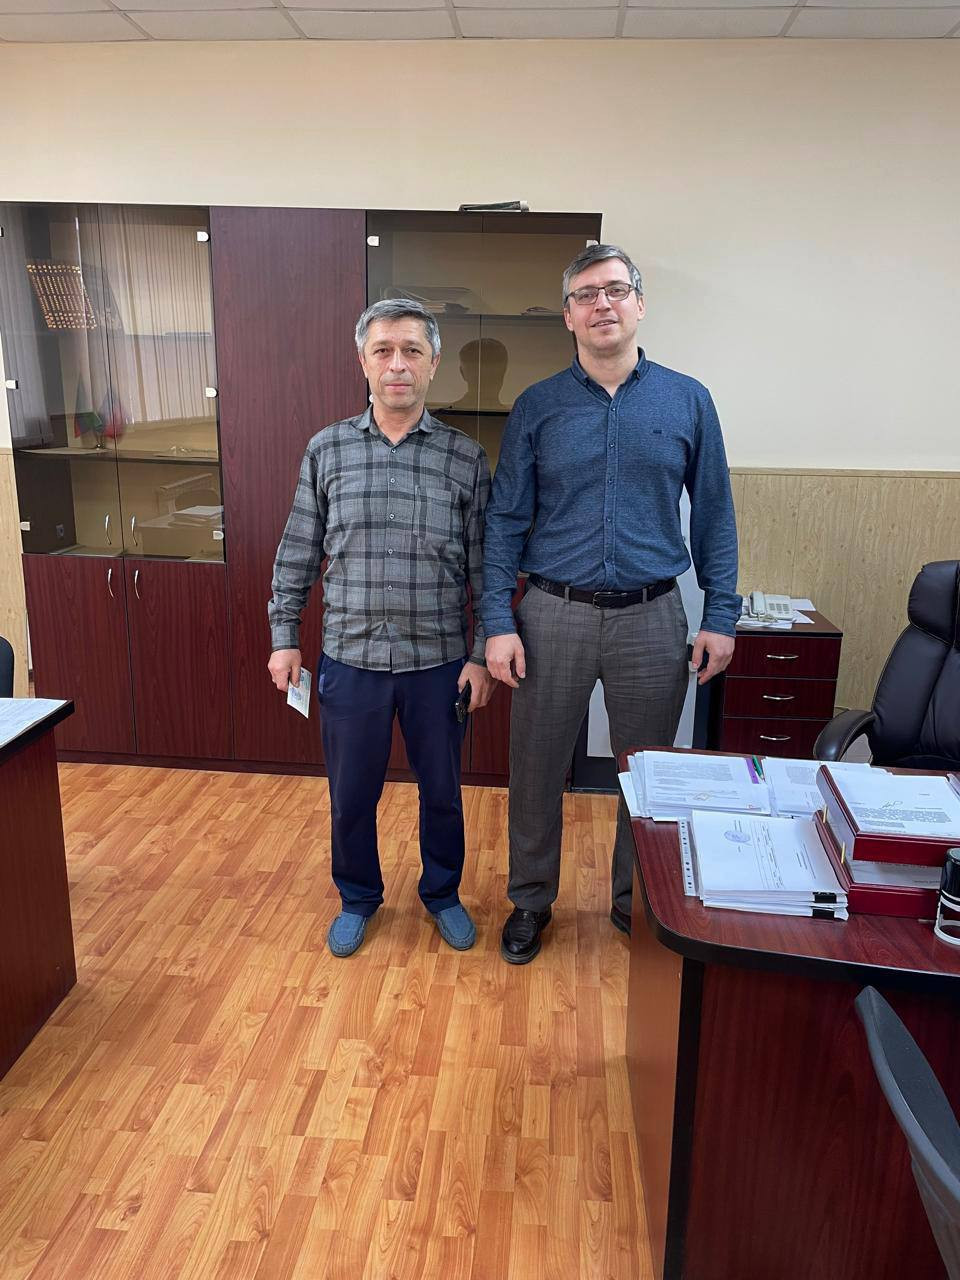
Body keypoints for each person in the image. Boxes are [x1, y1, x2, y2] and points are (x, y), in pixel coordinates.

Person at [482, 244, 739, 964]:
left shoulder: (688, 400)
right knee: (536, 768)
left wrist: (721, 614)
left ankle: (636, 903)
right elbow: (505, 521)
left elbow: (715, 514)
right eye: (586, 295)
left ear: (640, 305)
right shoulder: (538, 406)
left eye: (616, 290)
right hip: (551, 614)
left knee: (646, 774)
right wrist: (498, 621)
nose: (603, 305)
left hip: (651, 617)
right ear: (568, 315)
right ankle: (531, 899)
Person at [268, 298, 495, 958]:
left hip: (439, 663)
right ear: (363, 362)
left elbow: (486, 567)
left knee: (442, 794)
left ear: (433, 363)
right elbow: (297, 550)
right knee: (351, 796)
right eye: (384, 351)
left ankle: (442, 893)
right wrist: (284, 637)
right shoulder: (327, 449)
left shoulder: (465, 458)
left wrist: (481, 653)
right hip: (351, 659)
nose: (398, 364)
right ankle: (358, 897)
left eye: (412, 351)